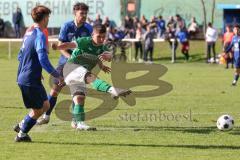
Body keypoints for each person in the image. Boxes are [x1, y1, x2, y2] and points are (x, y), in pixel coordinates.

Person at [51, 24, 132, 130]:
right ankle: (113, 90)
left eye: (103, 37)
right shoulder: (85, 41)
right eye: (99, 36)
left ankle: (79, 123)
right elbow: (69, 45)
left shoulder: (102, 47)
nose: (101, 39)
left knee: (79, 98)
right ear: (93, 34)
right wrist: (57, 47)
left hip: (80, 73)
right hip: (71, 68)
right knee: (91, 77)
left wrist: (109, 58)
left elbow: (106, 57)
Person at [13, 5, 64, 142]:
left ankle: (22, 125)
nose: (48, 20)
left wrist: (35, 69)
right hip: (29, 79)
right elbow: (42, 58)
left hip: (27, 76)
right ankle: (21, 134)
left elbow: (20, 56)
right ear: (45, 18)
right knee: (38, 110)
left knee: (45, 105)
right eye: (48, 17)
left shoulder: (29, 33)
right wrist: (56, 74)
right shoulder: (40, 35)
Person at [37, 2, 93, 125]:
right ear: (75, 13)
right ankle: (46, 116)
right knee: (55, 90)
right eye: (81, 13)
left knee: (77, 92)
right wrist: (70, 58)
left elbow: (88, 48)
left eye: (85, 13)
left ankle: (75, 120)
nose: (84, 16)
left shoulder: (89, 28)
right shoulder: (67, 26)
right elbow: (61, 47)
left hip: (79, 65)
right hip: (64, 62)